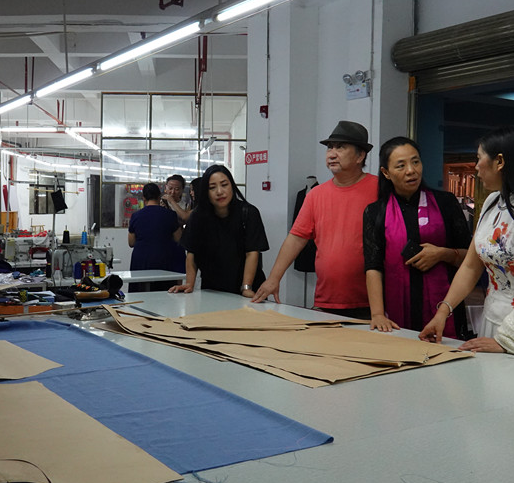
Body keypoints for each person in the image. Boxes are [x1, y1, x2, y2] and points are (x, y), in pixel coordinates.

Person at [420, 126, 514, 361]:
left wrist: (506, 340)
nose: (476, 166)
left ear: (499, 161)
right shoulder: (493, 202)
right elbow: (471, 266)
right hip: (495, 314)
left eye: (479, 158)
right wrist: (443, 311)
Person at [252, 121, 377, 319]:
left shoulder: (379, 190)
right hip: (326, 299)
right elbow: (296, 238)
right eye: (330, 147)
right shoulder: (316, 195)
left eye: (341, 147)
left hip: (373, 303)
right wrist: (274, 279)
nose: (332, 154)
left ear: (360, 156)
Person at [363, 137, 472, 337]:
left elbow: (471, 258)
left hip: (444, 306)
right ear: (386, 172)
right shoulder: (375, 212)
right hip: (396, 309)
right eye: (401, 165)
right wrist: (377, 314)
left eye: (415, 162)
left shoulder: (446, 202)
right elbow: (373, 266)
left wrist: (442, 254)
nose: (411, 170)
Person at [169, 165, 269, 297]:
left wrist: (246, 287)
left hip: (248, 291)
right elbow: (192, 253)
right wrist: (189, 284)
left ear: (232, 186)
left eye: (224, 185)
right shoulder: (198, 217)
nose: (219, 191)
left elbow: (252, 252)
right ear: (206, 192)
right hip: (212, 291)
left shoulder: (248, 213)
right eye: (212, 187)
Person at [128, 182, 183, 291]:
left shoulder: (136, 216)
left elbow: (131, 242)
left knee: (140, 292)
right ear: (159, 197)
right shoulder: (170, 215)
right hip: (164, 260)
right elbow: (179, 239)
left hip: (141, 261)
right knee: (163, 294)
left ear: (144, 198)